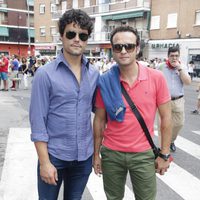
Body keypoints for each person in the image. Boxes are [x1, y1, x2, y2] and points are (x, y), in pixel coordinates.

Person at [93, 26, 172, 200]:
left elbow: (166, 117)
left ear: (137, 48)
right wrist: (96, 154)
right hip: (111, 153)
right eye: (117, 47)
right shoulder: (105, 81)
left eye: (128, 46)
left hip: (143, 154)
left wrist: (164, 153)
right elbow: (99, 121)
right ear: (112, 50)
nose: (123, 51)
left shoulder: (156, 77)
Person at [29, 9, 99, 200]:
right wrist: (44, 162)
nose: (77, 39)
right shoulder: (45, 74)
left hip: (83, 157)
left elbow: (99, 113)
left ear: (86, 39)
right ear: (62, 36)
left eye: (82, 35)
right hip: (54, 155)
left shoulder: (94, 74)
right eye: (71, 34)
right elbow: (38, 122)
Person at [158, 46, 191, 152]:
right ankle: (163, 147)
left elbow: (188, 82)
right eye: (172, 56)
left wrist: (180, 69)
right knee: (162, 125)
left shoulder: (183, 67)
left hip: (178, 100)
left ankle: (171, 140)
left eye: (176, 55)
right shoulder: (161, 67)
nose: (174, 58)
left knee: (179, 123)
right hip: (164, 101)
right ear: (168, 56)